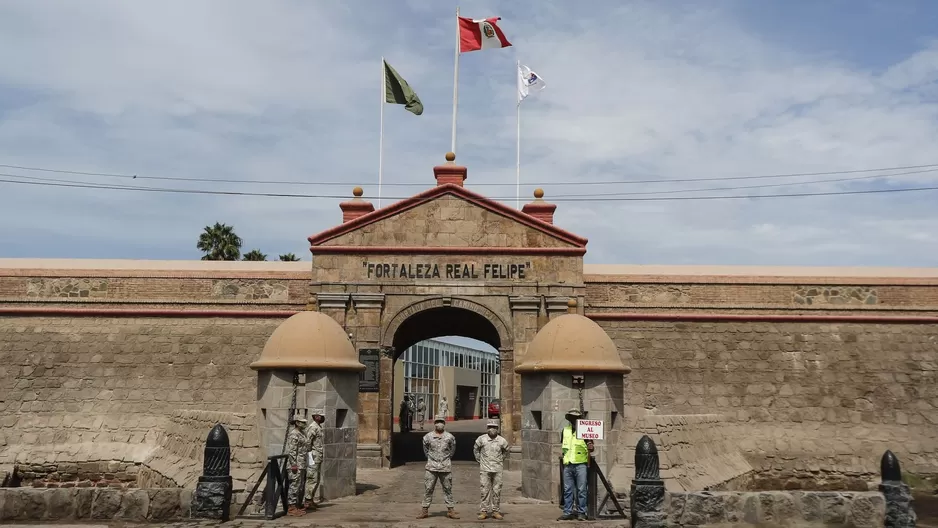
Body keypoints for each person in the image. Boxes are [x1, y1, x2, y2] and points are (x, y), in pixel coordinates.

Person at [417, 416, 459, 520]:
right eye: (437, 422)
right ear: (434, 423)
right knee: (428, 489)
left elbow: (452, 450)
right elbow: (425, 450)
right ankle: (424, 510)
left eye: (441, 422)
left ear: (444, 424)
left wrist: (445, 459)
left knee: (448, 489)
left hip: (445, 467)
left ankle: (450, 510)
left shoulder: (450, 437)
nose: (439, 424)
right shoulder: (427, 437)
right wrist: (432, 459)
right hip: (431, 467)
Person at [557, 409, 593, 521]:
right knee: (568, 490)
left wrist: (591, 447)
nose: (574, 420)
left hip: (581, 464)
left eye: (576, 418)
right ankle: (567, 512)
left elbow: (591, 446)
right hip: (568, 464)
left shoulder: (585, 431)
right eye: (572, 418)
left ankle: (582, 512)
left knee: (581, 490)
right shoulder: (565, 431)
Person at [473, 420, 510, 520]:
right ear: (487, 428)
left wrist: (500, 460)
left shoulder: (502, 441)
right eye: (490, 427)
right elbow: (476, 449)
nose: (492, 429)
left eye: (494, 427)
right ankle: (484, 511)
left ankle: (495, 511)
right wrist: (480, 460)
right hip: (485, 469)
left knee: (497, 490)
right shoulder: (481, 439)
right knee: (484, 490)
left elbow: (506, 451)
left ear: (497, 429)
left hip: (497, 469)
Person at [285, 416, 311, 516]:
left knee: (300, 486)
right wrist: (293, 464)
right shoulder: (294, 434)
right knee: (294, 486)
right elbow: (291, 451)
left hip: (302, 463)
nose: (304, 424)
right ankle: (291, 508)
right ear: (296, 423)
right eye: (302, 422)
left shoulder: (302, 433)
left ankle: (297, 506)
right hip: (296, 465)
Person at [303, 412, 325, 511]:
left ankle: (310, 499)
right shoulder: (313, 427)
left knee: (316, 478)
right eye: (321, 416)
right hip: (314, 456)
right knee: (312, 478)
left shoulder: (318, 427)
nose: (322, 417)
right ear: (316, 417)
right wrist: (309, 456)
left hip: (318, 456)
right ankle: (307, 500)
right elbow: (308, 442)